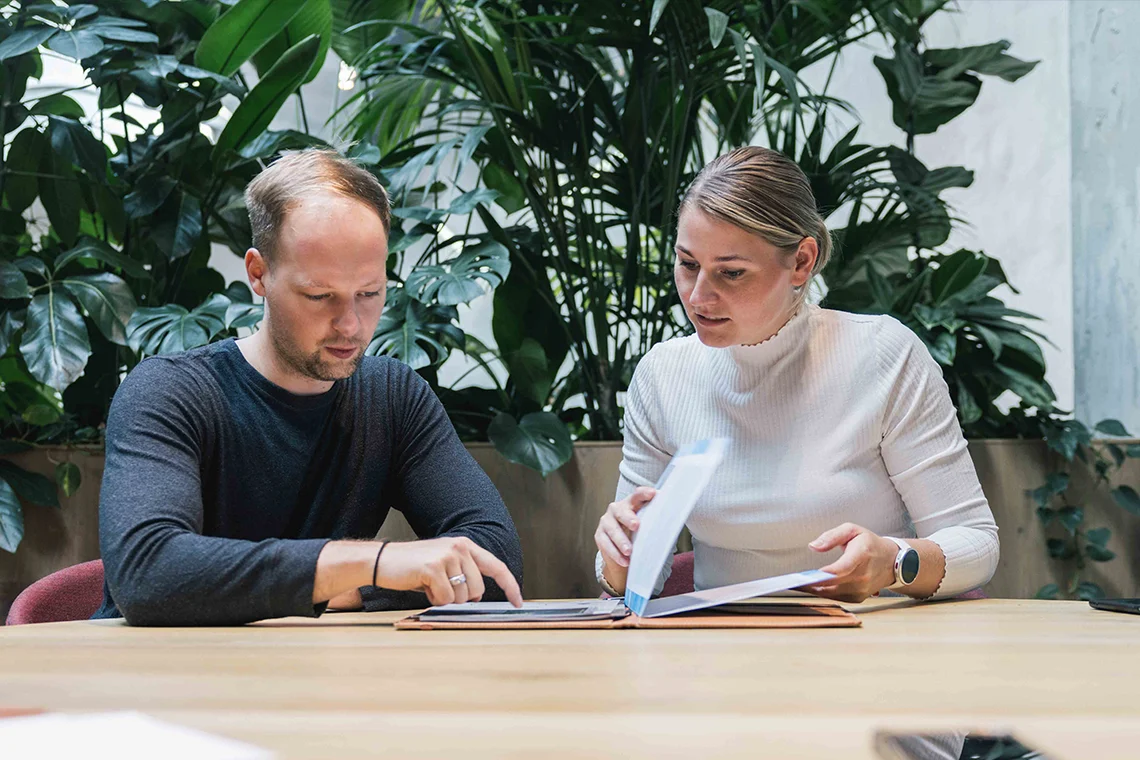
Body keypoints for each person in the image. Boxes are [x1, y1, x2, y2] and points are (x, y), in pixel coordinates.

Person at [95, 150, 523, 626]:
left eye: (370, 293)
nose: (350, 325)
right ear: (258, 274)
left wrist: (333, 589)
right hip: (162, 684)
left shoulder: (392, 399)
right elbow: (149, 573)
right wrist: (373, 565)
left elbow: (494, 554)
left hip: (315, 680)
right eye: (319, 296)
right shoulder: (170, 393)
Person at [594, 146, 998, 603]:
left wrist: (894, 562)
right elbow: (628, 578)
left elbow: (977, 542)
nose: (698, 297)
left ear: (802, 262)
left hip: (867, 649)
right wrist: (620, 555)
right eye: (688, 265)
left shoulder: (883, 355)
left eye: (731, 273)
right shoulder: (663, 376)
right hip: (714, 654)